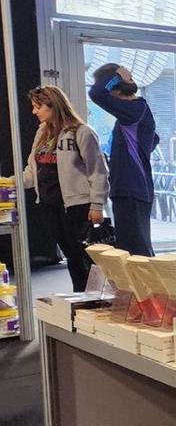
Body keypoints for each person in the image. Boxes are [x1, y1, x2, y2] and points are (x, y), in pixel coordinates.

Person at [18, 87, 108, 291]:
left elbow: (98, 171)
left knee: (84, 256)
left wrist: (97, 204)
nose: (34, 112)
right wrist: (9, 182)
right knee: (71, 256)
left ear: (53, 105)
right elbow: (31, 172)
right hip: (50, 205)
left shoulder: (82, 132)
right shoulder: (42, 132)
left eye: (38, 107)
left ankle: (94, 298)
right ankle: (81, 297)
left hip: (77, 205)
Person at [88, 63, 158, 256]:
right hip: (129, 187)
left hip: (132, 188)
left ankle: (148, 286)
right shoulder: (134, 114)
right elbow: (154, 139)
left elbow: (96, 93)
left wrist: (119, 75)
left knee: (136, 251)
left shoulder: (134, 109)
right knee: (133, 248)